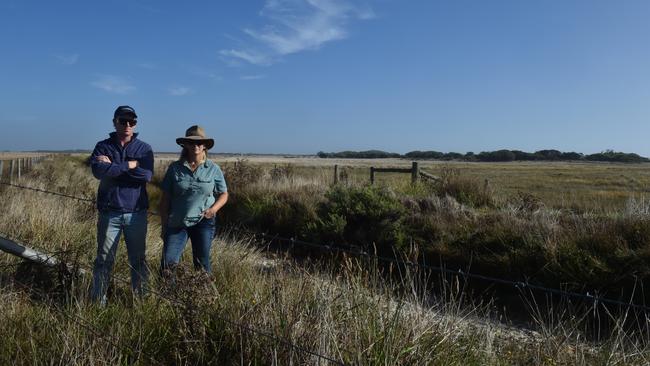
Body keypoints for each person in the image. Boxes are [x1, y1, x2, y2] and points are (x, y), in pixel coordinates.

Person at [89, 105, 154, 304]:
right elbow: (99, 172)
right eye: (123, 121)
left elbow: (147, 175)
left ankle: (141, 303)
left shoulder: (144, 149)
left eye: (132, 121)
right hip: (110, 212)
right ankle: (97, 303)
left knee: (138, 261)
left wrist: (113, 167)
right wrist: (129, 165)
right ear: (114, 122)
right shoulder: (103, 146)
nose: (127, 125)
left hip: (136, 213)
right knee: (104, 260)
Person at [159, 125, 228, 274]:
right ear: (185, 145)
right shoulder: (174, 168)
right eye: (191, 142)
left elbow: (224, 194)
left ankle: (206, 296)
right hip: (177, 222)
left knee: (201, 263)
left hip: (203, 222)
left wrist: (213, 210)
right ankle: (167, 295)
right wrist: (164, 226)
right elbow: (165, 200)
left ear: (204, 146)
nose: (195, 146)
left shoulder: (213, 169)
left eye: (199, 143)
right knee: (168, 264)